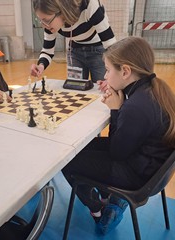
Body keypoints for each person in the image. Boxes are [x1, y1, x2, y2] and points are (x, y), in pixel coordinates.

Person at [62, 36, 175, 234]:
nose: (105, 76)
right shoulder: (150, 90)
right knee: (85, 146)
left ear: (125, 71)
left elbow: (117, 153)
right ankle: (107, 196)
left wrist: (116, 110)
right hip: (151, 166)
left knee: (65, 159)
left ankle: (98, 208)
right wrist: (121, 105)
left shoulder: (137, 106)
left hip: (137, 176)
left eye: (107, 70)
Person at [30, 0, 116, 84]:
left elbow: (110, 46)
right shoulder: (49, 25)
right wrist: (41, 66)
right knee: (76, 88)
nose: (43, 25)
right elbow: (47, 51)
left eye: (46, 20)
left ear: (61, 10)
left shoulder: (89, 5)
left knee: (102, 89)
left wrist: (111, 74)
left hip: (99, 51)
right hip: (75, 51)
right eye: (40, 20)